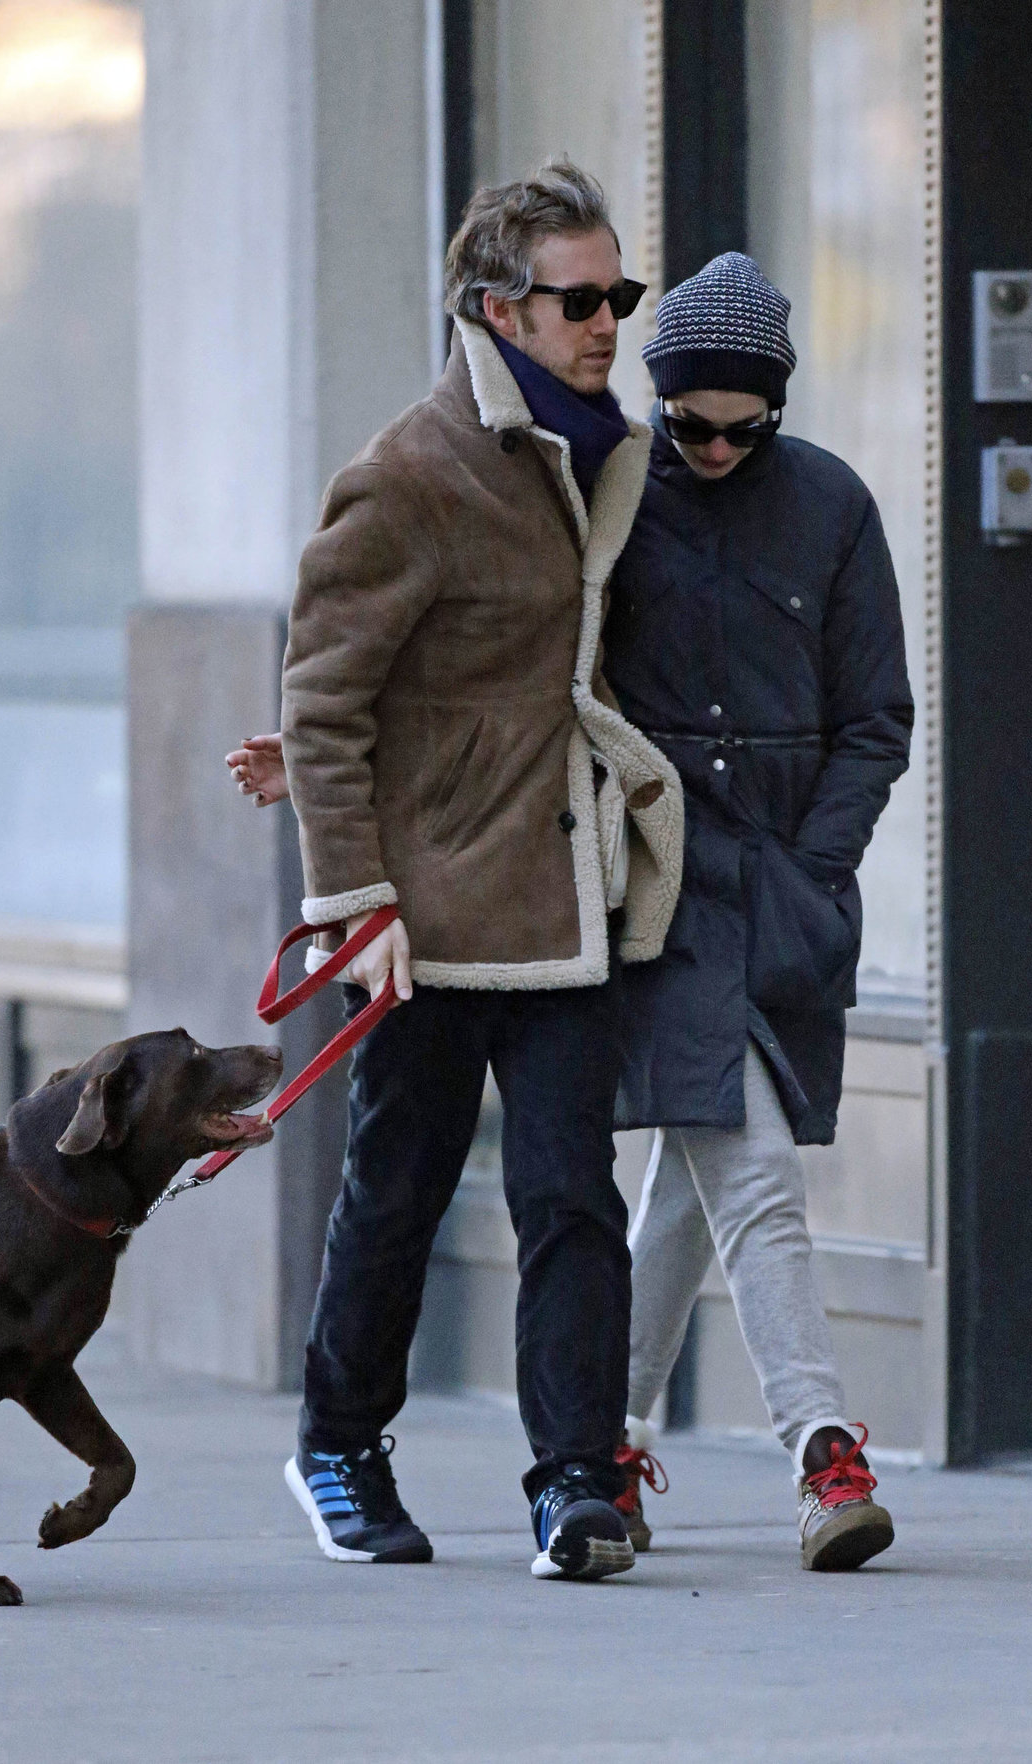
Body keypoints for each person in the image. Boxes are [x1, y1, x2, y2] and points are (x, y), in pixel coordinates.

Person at [225, 161, 683, 1582]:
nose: (608, 321)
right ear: (498, 307)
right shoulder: (413, 470)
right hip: (422, 919)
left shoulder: (612, 452)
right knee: (398, 1186)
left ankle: (576, 1483)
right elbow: (326, 693)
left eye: (620, 294)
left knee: (570, 1200)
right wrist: (354, 902)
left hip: (563, 893)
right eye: (580, 299)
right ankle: (337, 1445)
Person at [603, 252, 914, 1571]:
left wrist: (815, 873)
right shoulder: (608, 495)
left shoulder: (832, 506)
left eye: (744, 426)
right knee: (758, 1167)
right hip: (658, 885)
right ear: (658, 401)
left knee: (691, 1171)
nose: (715, 446)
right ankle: (819, 1446)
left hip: (780, 896)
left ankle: (595, 1440)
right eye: (690, 423)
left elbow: (874, 719)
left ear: (775, 412)